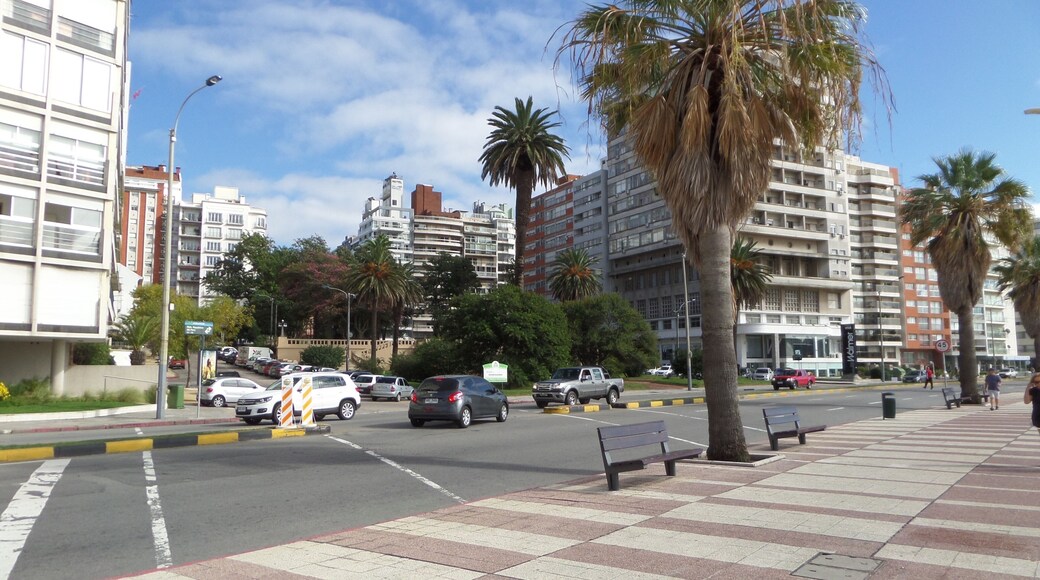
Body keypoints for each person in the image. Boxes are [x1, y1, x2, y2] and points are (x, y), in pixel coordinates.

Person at [1024, 373, 1040, 437]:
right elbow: (1026, 401)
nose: (1038, 384)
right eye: (1036, 382)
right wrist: (1027, 388)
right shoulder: (1033, 390)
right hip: (1038, 417)